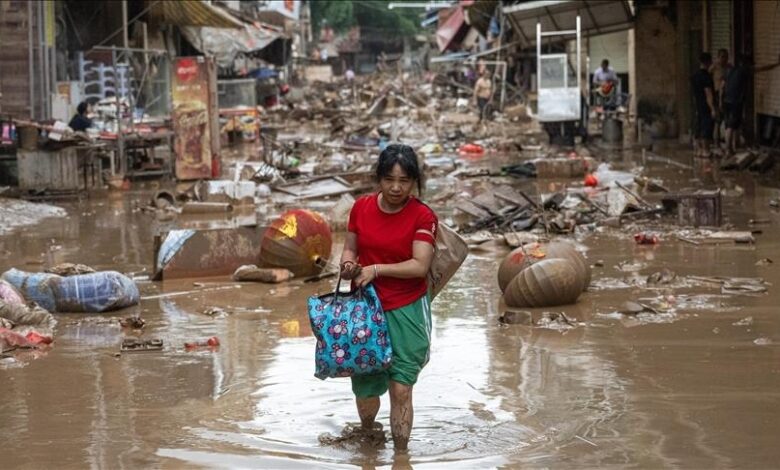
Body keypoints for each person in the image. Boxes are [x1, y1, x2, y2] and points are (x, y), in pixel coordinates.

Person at [339, 144, 438, 452]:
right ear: (378, 179)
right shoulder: (361, 208)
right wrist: (347, 265)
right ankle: (369, 438)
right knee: (366, 385)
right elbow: (350, 247)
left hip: (406, 309)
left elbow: (420, 266)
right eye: (389, 179)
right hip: (364, 309)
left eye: (405, 180)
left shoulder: (422, 216)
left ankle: (401, 456)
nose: (396, 188)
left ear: (415, 182)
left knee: (401, 388)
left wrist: (376, 270)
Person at [722, 53, 780, 155]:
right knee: (732, 125)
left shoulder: (730, 70)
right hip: (736, 101)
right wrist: (776, 64)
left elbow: (723, 86)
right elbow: (762, 68)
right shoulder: (744, 70)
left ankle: (732, 147)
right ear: (746, 63)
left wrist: (720, 100)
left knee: (730, 125)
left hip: (727, 100)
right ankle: (728, 149)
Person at [691, 52, 717, 158]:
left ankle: (698, 150)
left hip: (697, 104)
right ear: (709, 62)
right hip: (705, 105)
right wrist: (713, 108)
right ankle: (706, 150)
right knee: (707, 126)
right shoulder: (706, 77)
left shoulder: (694, 76)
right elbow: (708, 93)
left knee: (699, 126)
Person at [711, 49, 732, 146]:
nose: (724, 59)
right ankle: (716, 143)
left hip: (728, 95)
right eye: (722, 57)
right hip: (717, 94)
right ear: (718, 57)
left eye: (726, 57)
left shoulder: (729, 67)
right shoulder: (714, 67)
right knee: (718, 120)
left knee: (728, 120)